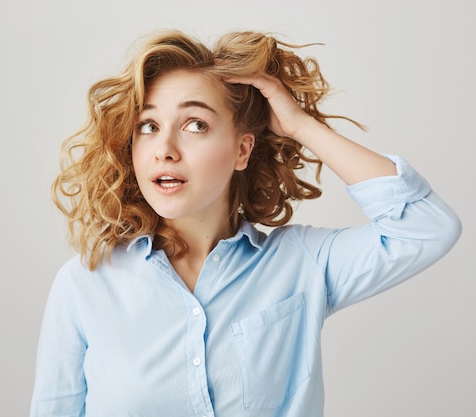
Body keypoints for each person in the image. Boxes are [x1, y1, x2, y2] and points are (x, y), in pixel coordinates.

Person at [30, 29, 462, 417]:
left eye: (195, 124)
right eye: (148, 125)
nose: (164, 147)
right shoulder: (84, 285)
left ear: (242, 150)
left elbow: (426, 226)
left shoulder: (301, 264)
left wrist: (300, 126)